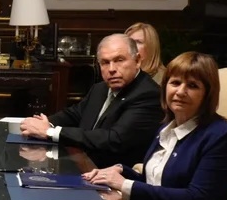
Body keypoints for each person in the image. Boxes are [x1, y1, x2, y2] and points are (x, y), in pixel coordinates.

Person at [84, 52, 227, 200]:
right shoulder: (165, 128)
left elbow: (197, 199)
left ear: (208, 94)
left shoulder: (222, 136)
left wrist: (125, 185)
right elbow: (158, 184)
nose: (180, 92)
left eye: (192, 86)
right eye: (175, 83)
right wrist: (120, 171)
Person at [19, 34, 161, 168]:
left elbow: (114, 139)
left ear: (137, 61)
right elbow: (74, 114)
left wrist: (51, 132)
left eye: (119, 60)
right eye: (105, 63)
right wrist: (43, 124)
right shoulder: (100, 88)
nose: (112, 69)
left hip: (114, 175)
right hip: (82, 164)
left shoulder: (148, 94)